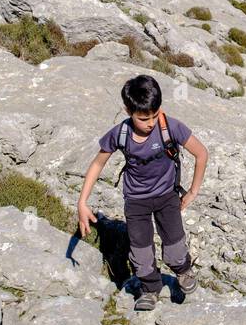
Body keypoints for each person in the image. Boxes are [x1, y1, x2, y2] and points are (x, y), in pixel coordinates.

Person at [77, 75, 209, 311]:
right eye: (143, 118)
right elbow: (97, 164)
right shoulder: (120, 134)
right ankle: (150, 288)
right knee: (140, 251)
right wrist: (82, 202)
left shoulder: (170, 127)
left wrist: (193, 191)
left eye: (155, 115)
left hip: (167, 196)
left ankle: (183, 271)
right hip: (136, 201)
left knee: (175, 244)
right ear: (128, 110)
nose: (150, 122)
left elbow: (201, 153)